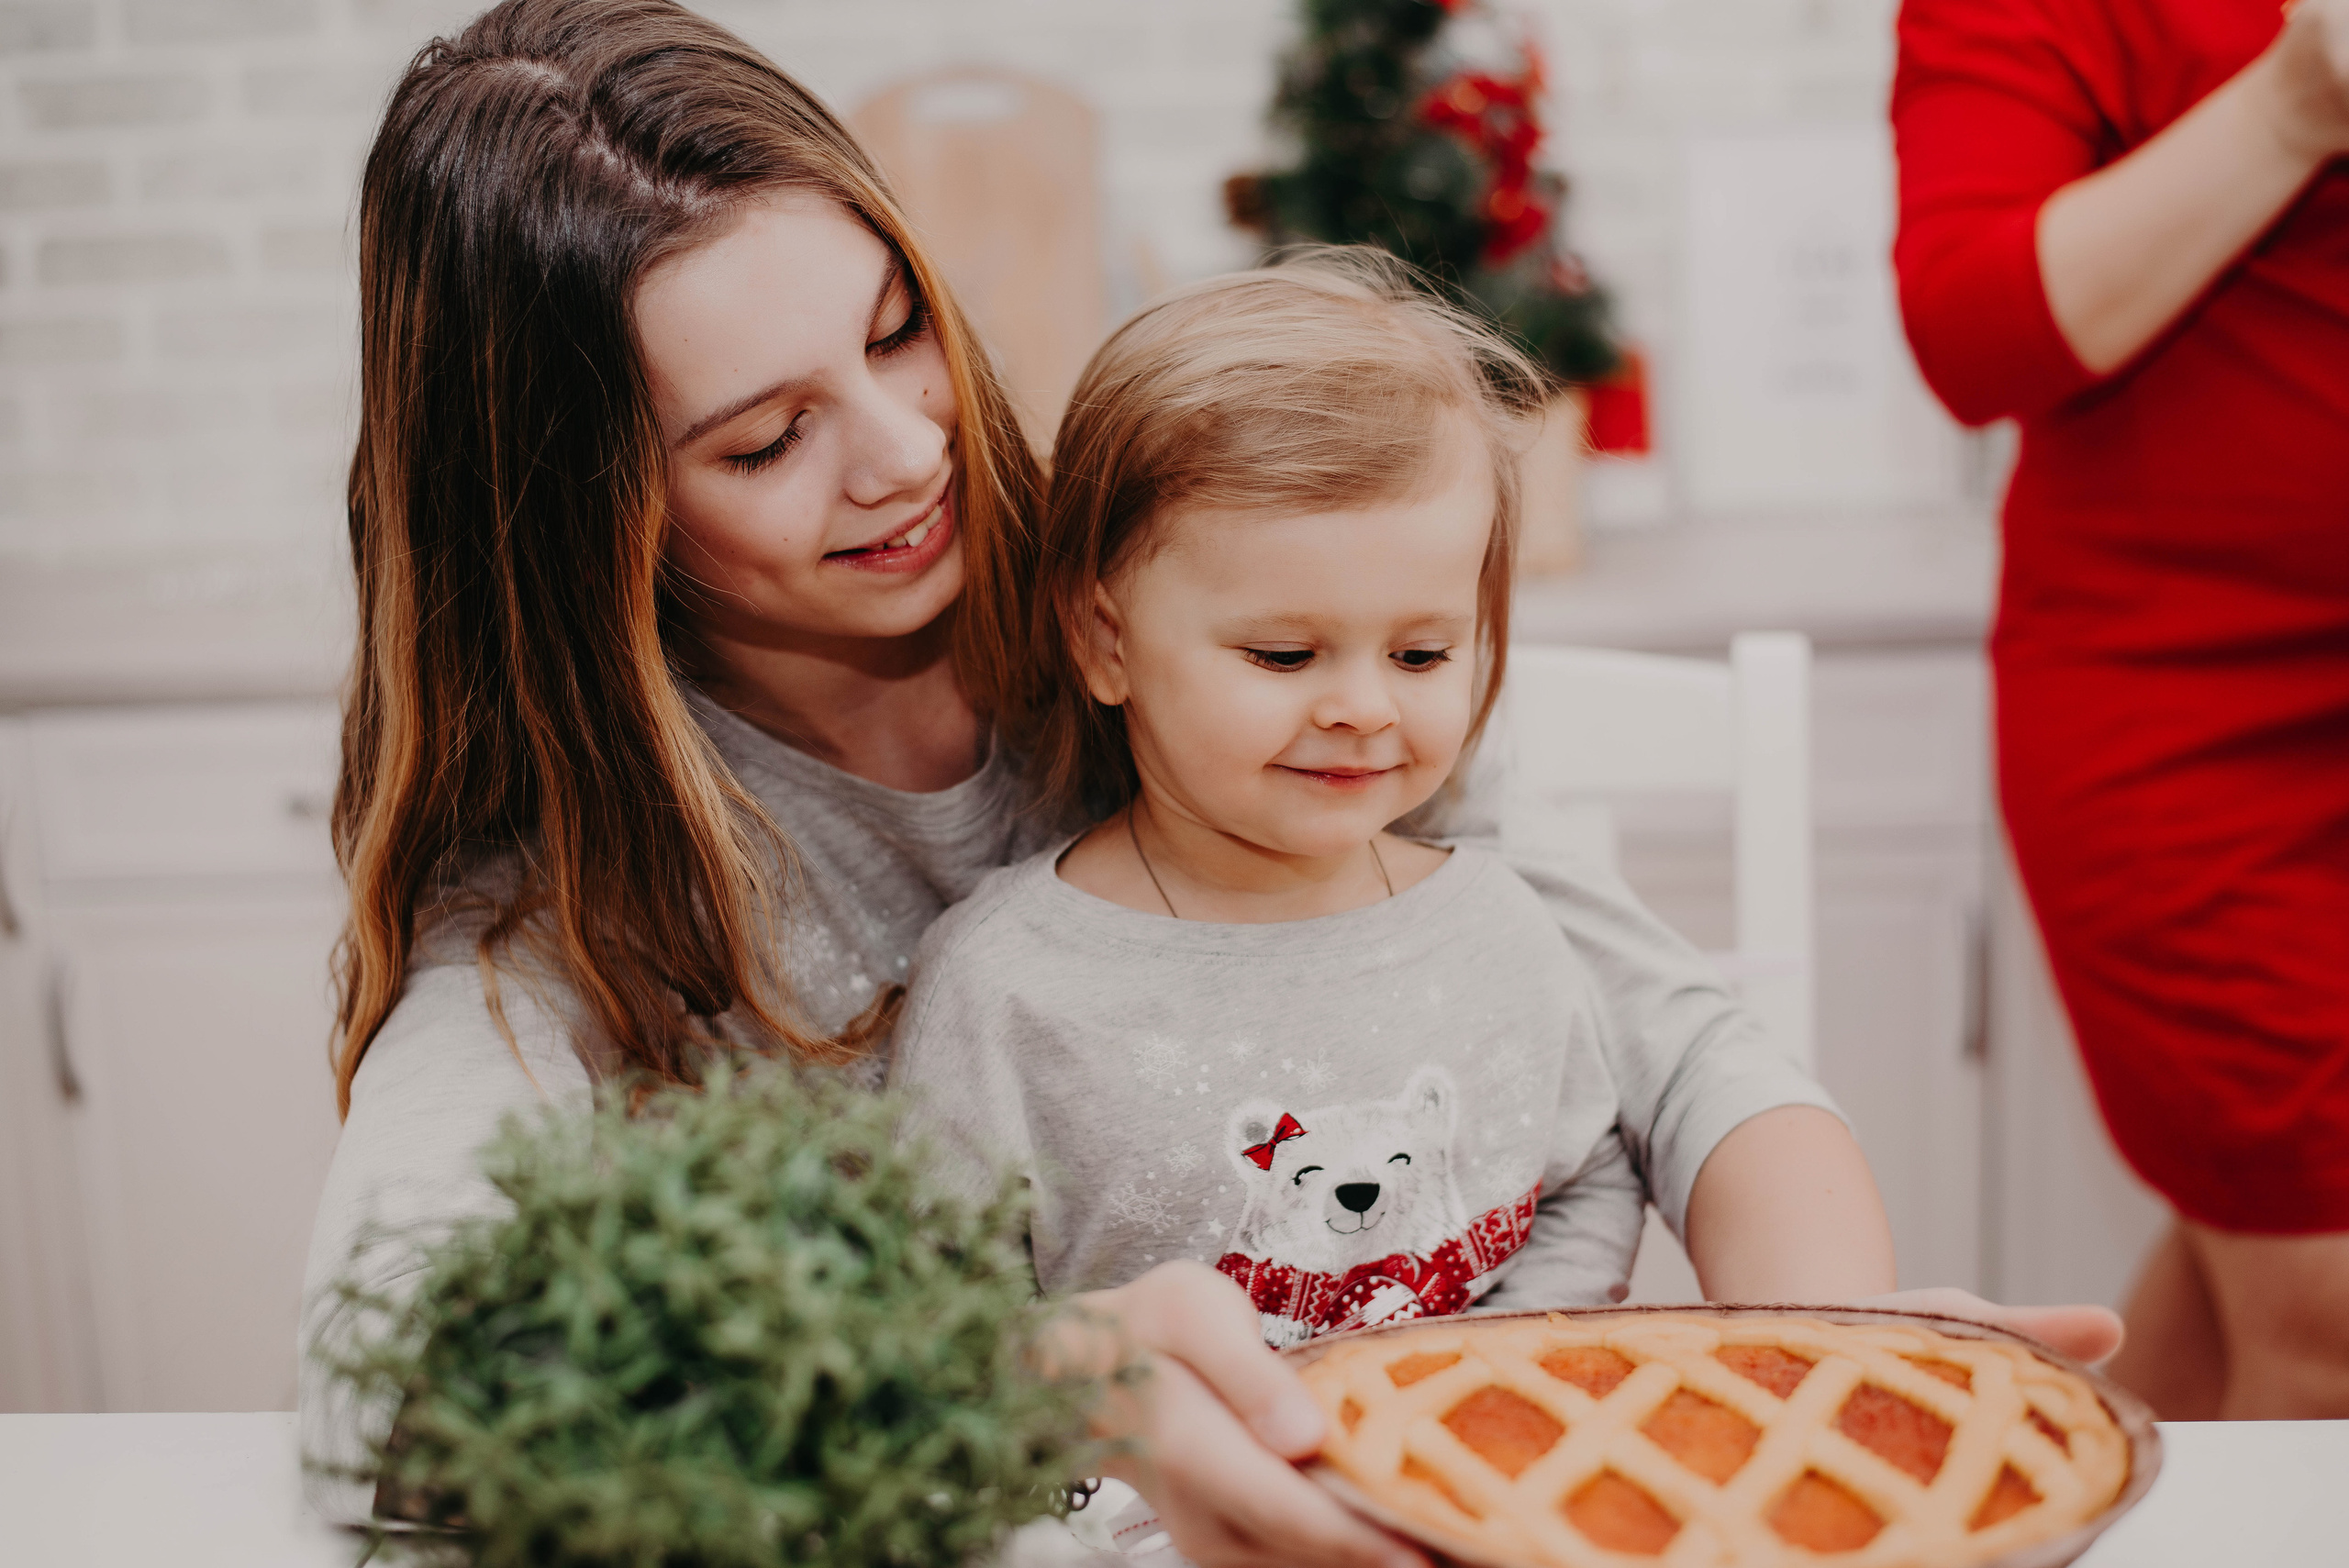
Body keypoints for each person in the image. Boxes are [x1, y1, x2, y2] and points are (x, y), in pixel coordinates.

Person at [301, 0, 2119, 1560]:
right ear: (578, 521)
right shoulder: (568, 900)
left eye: (894, 330)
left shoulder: (1235, 613)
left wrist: (1811, 1349)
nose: (908, 450)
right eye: (768, 437)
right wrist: (1024, 1374)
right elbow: (390, 1393)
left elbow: (1670, 1037)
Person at [893, 253, 1648, 1340]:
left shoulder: (1499, 931)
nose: (1361, 706)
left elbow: (1584, 1181)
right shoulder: (1006, 990)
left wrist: (1497, 1368)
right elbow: (936, 1328)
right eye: (1287, 654)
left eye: (1422, 653)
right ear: (1106, 641)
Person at [1894, 0, 2349, 1418]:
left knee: (2264, 1275)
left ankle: (2043, 1520)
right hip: (2189, 723)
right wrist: (2295, 103)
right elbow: (1971, 333)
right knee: (2331, 1303)